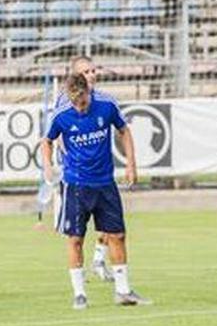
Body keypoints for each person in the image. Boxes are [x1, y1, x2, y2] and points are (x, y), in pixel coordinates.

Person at [41, 74, 150, 310]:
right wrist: (48, 165)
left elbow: (124, 131)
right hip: (76, 185)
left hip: (105, 183)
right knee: (75, 239)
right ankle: (79, 293)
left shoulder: (106, 106)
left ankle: (123, 291)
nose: (79, 108)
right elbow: (47, 141)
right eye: (75, 103)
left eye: (83, 102)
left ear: (88, 92)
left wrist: (131, 163)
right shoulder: (61, 115)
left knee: (118, 235)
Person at [54, 55, 115, 282]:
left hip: (102, 172)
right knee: (76, 232)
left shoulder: (105, 100)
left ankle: (99, 259)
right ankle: (79, 272)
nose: (91, 75)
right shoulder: (65, 101)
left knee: (110, 221)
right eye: (85, 72)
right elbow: (56, 134)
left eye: (93, 70)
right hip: (76, 176)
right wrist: (68, 156)